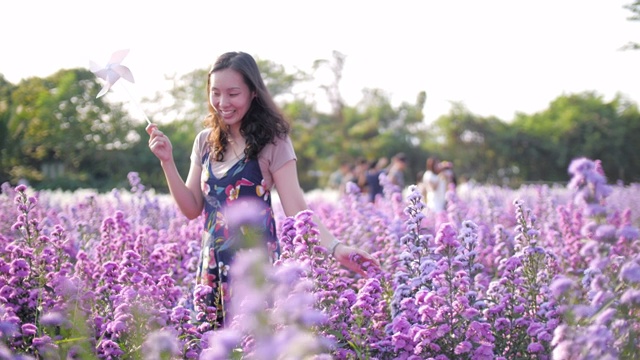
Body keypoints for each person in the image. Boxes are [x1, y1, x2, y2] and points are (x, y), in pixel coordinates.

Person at [146, 51, 379, 328]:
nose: (223, 102)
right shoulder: (204, 142)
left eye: (233, 93)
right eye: (216, 93)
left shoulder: (273, 142)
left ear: (253, 92)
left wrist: (336, 248)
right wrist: (167, 162)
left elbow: (297, 211)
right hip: (212, 270)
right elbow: (191, 208)